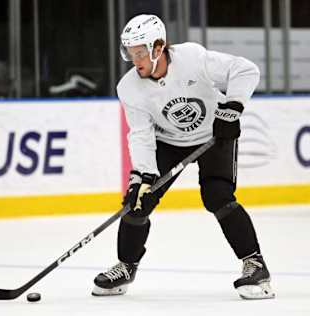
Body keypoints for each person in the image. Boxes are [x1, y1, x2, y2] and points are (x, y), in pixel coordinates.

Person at [92, 14, 275, 300]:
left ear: (158, 47)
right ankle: (126, 266)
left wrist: (233, 106)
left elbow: (245, 70)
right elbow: (140, 135)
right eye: (130, 53)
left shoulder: (192, 58)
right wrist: (142, 176)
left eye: (140, 52)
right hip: (168, 142)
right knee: (139, 201)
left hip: (213, 136)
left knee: (218, 196)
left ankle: (255, 264)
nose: (134, 59)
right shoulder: (129, 88)